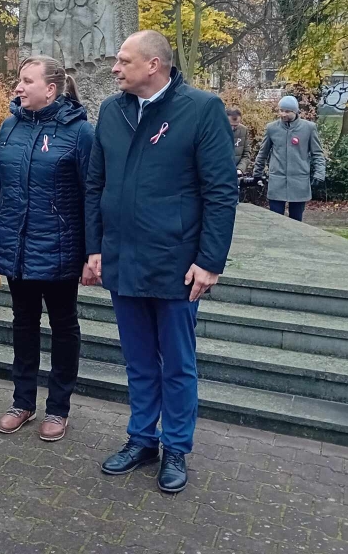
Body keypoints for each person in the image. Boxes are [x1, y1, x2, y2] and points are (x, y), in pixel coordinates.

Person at [86, 30, 238, 494]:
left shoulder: (201, 109)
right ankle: (141, 439)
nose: (115, 68)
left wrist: (210, 261)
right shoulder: (112, 112)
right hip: (122, 260)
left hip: (176, 263)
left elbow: (220, 192)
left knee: (176, 361)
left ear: (154, 64)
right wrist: (95, 248)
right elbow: (96, 185)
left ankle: (175, 447)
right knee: (137, 360)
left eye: (124, 61)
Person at [0, 56, 94, 442]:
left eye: (26, 81)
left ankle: (58, 408)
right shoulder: (9, 126)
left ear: (51, 89)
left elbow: (91, 195)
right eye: (19, 80)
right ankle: (23, 403)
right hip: (17, 248)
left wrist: (89, 252)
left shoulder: (80, 132)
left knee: (64, 327)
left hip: (60, 251)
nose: (18, 87)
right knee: (23, 324)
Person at [253, 95, 325, 222]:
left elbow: (317, 153)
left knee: (296, 220)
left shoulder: (309, 128)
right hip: (277, 180)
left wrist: (319, 173)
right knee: (275, 219)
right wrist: (257, 173)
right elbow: (263, 152)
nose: (283, 114)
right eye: (281, 110)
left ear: (295, 111)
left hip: (299, 180)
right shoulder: (272, 128)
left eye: (287, 111)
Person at [227, 108, 250, 176]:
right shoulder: (216, 130)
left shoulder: (244, 130)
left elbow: (246, 154)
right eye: (230, 125)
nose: (232, 128)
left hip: (236, 175)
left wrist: (240, 169)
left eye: (235, 125)